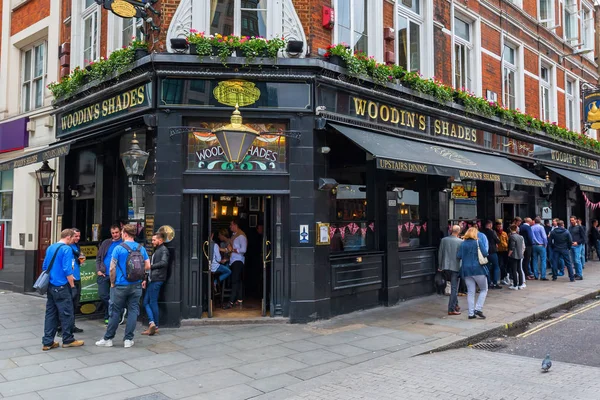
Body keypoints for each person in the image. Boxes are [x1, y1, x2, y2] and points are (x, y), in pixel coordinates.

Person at [95, 224, 150, 348]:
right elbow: (147, 266)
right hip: (136, 285)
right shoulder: (141, 248)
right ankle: (128, 340)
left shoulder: (118, 248)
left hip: (120, 284)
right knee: (133, 311)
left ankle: (108, 339)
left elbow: (112, 268)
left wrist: (113, 282)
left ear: (124, 233)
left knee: (114, 312)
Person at [41, 229, 85, 351]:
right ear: (68, 237)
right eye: (73, 238)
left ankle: (47, 341)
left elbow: (44, 266)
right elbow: (67, 270)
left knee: (50, 313)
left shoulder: (51, 247)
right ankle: (68, 339)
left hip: (51, 285)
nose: (73, 240)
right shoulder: (66, 249)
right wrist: (72, 285)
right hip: (62, 286)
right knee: (67, 313)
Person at [141, 231, 170, 336]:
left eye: (154, 240)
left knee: (151, 302)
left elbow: (164, 263)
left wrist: (150, 267)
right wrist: (145, 278)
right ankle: (152, 324)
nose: (152, 242)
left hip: (157, 279)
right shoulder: (158, 250)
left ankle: (154, 325)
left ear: (160, 240)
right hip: (153, 279)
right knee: (147, 302)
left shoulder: (163, 250)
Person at [457, 227, 489, 319]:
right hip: (478, 269)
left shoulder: (463, 244)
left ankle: (471, 313)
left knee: (470, 292)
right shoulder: (478, 242)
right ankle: (478, 309)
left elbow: (458, 256)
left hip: (466, 270)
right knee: (484, 289)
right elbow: (485, 253)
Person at [96, 225, 123, 324]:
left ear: (120, 232)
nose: (115, 235)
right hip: (104, 273)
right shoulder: (106, 243)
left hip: (117, 274)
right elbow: (99, 257)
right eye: (113, 233)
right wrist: (98, 270)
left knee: (116, 297)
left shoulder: (124, 243)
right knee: (103, 295)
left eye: (116, 232)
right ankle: (113, 312)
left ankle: (111, 315)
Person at [438, 225, 462, 315]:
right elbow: (461, 256)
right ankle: (451, 309)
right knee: (454, 289)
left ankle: (456, 305)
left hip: (445, 267)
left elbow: (440, 253)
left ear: (451, 230)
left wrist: (440, 266)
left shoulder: (444, 240)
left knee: (453, 287)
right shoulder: (460, 242)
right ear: (458, 232)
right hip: (455, 267)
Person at [224, 219, 247, 310]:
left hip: (238, 261)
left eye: (231, 225)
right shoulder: (234, 236)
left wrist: (232, 250)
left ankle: (231, 301)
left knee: (234, 281)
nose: (230, 227)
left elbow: (243, 250)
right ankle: (240, 299)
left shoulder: (241, 236)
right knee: (238, 281)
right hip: (233, 261)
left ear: (236, 225)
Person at [69, 228, 85, 333]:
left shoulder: (77, 246)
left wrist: (82, 258)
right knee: (68, 304)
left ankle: (72, 325)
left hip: (77, 277)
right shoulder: (66, 247)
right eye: (76, 236)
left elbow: (81, 257)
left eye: (79, 236)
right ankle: (63, 327)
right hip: (70, 279)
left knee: (75, 303)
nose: (78, 238)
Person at [211, 229, 232, 294]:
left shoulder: (229, 242)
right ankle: (216, 282)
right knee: (228, 271)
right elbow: (219, 258)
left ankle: (223, 284)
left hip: (227, 261)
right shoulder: (218, 244)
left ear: (223, 235)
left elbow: (230, 252)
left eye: (220, 235)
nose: (218, 237)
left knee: (227, 266)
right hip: (217, 264)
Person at [481, 221, 501, 289]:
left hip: (484, 252)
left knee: (488, 267)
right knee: (496, 266)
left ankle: (488, 282)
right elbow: (498, 241)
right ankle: (495, 283)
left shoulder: (482, 232)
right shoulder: (492, 232)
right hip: (492, 251)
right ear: (490, 225)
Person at [507, 224, 525, 290]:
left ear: (511, 229)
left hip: (514, 255)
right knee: (519, 269)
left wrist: (509, 254)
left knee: (514, 270)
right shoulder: (520, 237)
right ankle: (520, 284)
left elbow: (512, 247)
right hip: (520, 255)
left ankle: (515, 285)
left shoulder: (512, 237)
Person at [568, 216, 586, 280]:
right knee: (573, 260)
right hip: (571, 245)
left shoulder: (580, 227)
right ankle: (577, 273)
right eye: (570, 220)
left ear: (576, 220)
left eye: (572, 220)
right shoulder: (570, 228)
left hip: (577, 246)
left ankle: (580, 275)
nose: (571, 221)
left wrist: (577, 242)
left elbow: (584, 238)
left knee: (577, 260)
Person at [495, 222, 509, 286]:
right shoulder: (495, 233)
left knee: (505, 264)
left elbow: (507, 241)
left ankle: (504, 277)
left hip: (505, 250)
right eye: (498, 227)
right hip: (499, 251)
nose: (500, 228)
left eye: (501, 226)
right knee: (501, 264)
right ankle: (503, 277)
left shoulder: (504, 233)